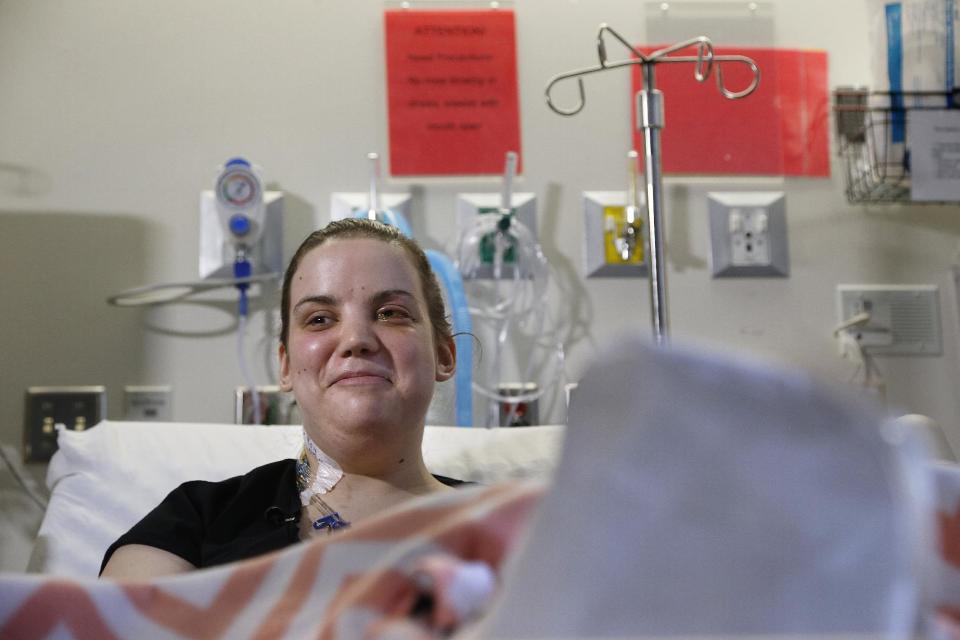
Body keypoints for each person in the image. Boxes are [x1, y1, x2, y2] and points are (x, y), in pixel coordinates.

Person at [100, 218, 461, 578]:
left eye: (390, 313)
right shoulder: (198, 520)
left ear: (444, 355)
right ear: (285, 366)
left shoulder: (512, 524)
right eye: (319, 319)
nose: (356, 339)